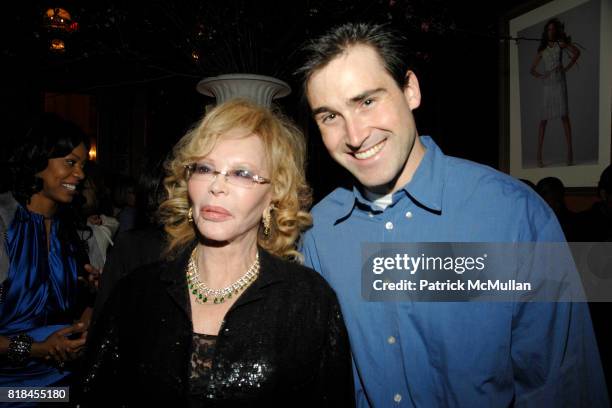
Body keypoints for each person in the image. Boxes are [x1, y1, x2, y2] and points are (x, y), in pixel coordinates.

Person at [298, 23, 607, 407]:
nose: (355, 134)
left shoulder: (511, 216)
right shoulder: (319, 233)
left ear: (410, 90)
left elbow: (562, 387)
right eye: (330, 117)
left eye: (366, 102)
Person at [81, 99, 354, 406]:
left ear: (274, 195)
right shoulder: (136, 293)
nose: (217, 186)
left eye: (242, 173)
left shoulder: (309, 301)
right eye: (206, 168)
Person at [0, 113, 96, 393]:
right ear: (38, 161)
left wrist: (88, 313)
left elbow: (78, 309)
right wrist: (36, 349)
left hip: (63, 385)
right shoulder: (5, 226)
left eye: (82, 165)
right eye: (70, 162)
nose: (80, 174)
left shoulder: (71, 231)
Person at [530, 18, 581, 167]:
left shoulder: (560, 44)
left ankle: (570, 151)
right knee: (543, 120)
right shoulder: (542, 50)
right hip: (547, 85)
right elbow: (531, 70)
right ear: (546, 32)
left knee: (564, 116)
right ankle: (539, 155)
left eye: (553, 29)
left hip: (559, 82)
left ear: (556, 30)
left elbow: (576, 52)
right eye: (549, 29)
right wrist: (541, 75)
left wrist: (566, 68)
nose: (551, 32)